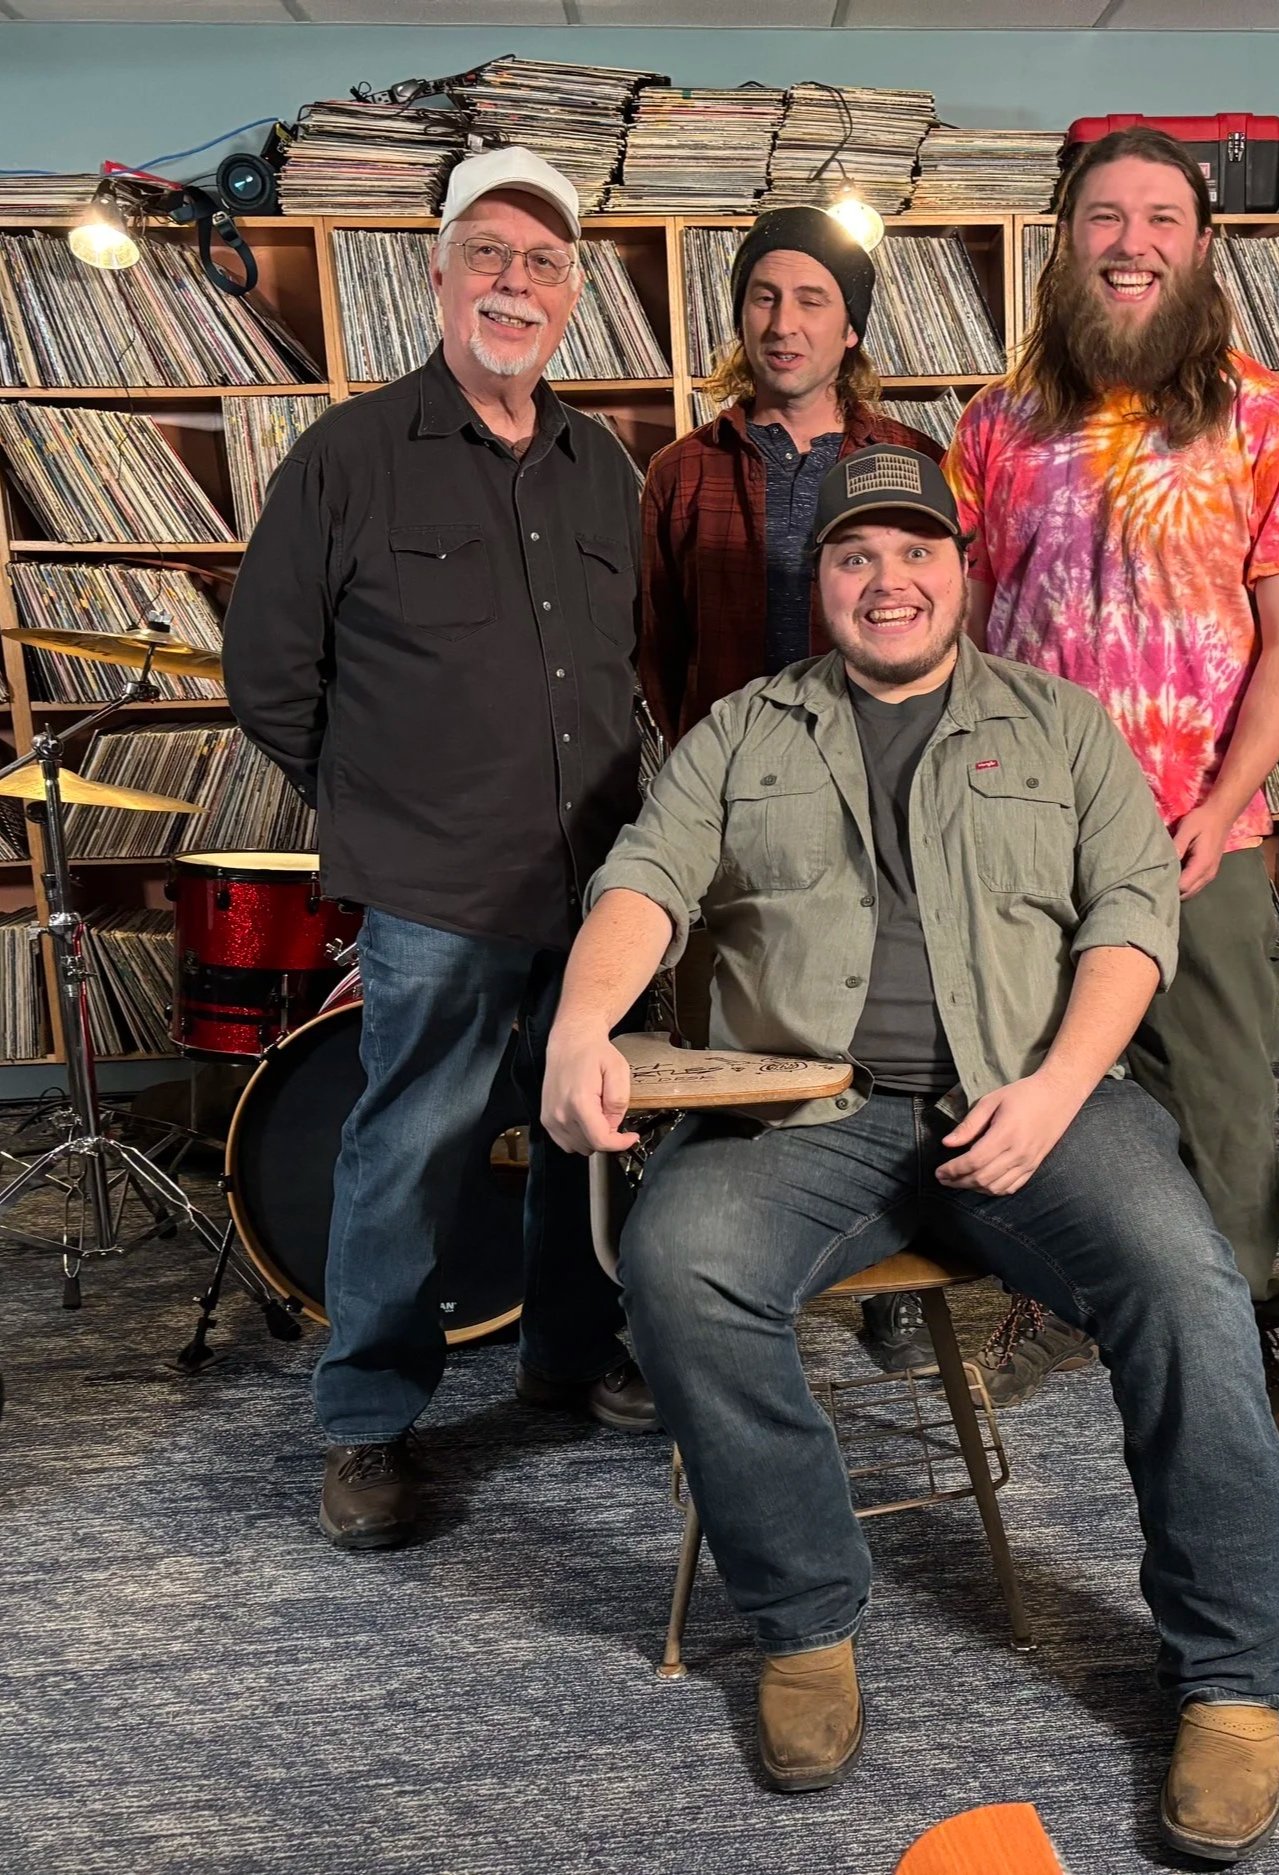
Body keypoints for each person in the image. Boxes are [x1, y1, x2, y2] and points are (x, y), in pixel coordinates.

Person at [542, 445, 1279, 1864]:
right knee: (678, 1260)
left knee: (1188, 1283)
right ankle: (804, 1623)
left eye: (914, 552)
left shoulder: (1063, 725)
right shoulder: (738, 731)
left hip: (1036, 1097)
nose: (886, 579)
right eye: (853, 556)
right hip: (802, 1115)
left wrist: (1061, 1083)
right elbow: (641, 882)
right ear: (817, 581)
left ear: (961, 570)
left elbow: (1132, 915)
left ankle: (1230, 1673)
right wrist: (581, 1023)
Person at [224, 147, 654, 1552]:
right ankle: (365, 1423)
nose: (511, 284)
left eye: (540, 264)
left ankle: (565, 1360)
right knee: (407, 1149)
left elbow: (622, 666)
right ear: (437, 273)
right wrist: (380, 815)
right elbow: (271, 676)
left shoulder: (604, 469)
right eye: (487, 255)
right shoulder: (347, 456)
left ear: (572, 293)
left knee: (587, 1135)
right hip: (435, 888)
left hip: (593, 887)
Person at [946, 127, 1279, 1429]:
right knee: (1031, 1086)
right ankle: (1072, 1301)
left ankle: (1237, 1335)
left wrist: (1225, 804)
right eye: (1103, 218)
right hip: (1023, 842)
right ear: (1064, 243)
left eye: (1159, 218)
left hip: (1199, 837)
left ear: (1200, 245)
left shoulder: (1270, 419)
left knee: (1222, 1101)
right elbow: (965, 630)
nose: (1130, 243)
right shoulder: (995, 428)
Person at [636, 205, 945, 1373]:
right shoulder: (682, 470)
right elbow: (657, 650)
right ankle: (718, 1257)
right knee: (733, 1023)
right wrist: (715, 774)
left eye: (813, 298)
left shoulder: (910, 459)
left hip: (890, 786)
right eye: (764, 297)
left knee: (885, 1006)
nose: (785, 321)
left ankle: (888, 1269)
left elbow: (938, 617)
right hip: (738, 795)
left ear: (851, 324)